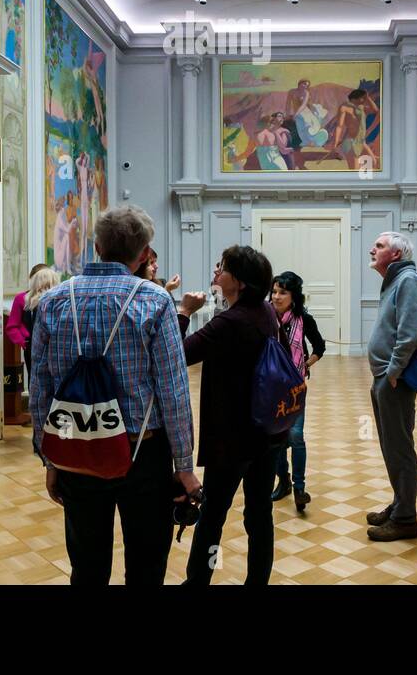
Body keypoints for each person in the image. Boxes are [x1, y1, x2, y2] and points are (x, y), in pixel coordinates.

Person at [29, 205, 200, 586]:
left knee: (87, 569)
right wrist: (184, 466)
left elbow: (39, 387)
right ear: (143, 254)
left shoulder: (54, 301)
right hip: (143, 452)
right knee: (146, 567)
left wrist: (49, 457)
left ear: (96, 246)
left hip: (76, 447)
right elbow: (173, 391)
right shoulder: (154, 303)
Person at [175, 246, 286, 585]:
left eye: (221, 268)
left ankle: (197, 582)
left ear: (237, 281)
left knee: (212, 517)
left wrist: (183, 312)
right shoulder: (266, 312)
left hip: (233, 437)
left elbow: (176, 356)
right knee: (259, 514)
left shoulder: (230, 321)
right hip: (266, 431)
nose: (215, 273)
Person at [364, 232, 417, 541]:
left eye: (379, 246)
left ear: (396, 254)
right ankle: (399, 503)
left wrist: (393, 372)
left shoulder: (408, 281)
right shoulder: (395, 281)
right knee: (392, 446)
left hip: (395, 380)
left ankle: (405, 519)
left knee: (399, 448)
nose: (372, 249)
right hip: (386, 377)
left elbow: (409, 333)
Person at [268, 271, 326, 512]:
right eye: (274, 291)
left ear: (294, 296)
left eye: (283, 292)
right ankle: (283, 482)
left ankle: (300, 487)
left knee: (295, 435)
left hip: (295, 385)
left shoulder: (304, 319)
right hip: (270, 386)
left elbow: (319, 347)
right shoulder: (265, 317)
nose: (276, 297)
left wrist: (304, 365)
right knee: (278, 438)